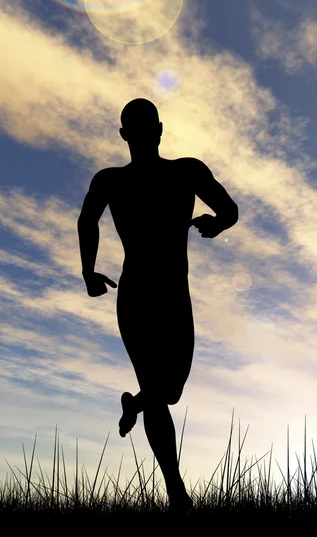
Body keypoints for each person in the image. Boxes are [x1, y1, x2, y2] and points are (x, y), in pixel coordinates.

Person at [77, 98, 239, 513]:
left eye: (149, 126)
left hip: (173, 295)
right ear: (126, 134)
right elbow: (86, 220)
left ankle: (136, 403)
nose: (146, 133)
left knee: (170, 387)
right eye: (139, 127)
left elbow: (230, 208)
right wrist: (88, 271)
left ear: (160, 130)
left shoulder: (187, 170)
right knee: (160, 388)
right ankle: (176, 492)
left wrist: (218, 223)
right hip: (136, 295)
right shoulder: (111, 179)